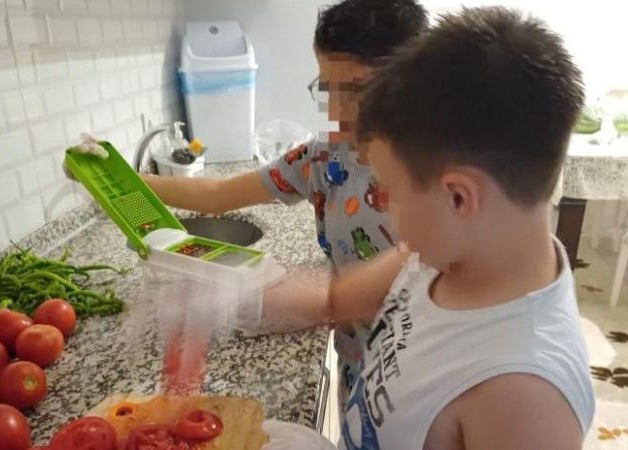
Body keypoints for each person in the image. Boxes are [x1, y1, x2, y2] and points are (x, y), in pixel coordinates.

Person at [67, 0, 429, 409]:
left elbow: (397, 282)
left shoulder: (439, 176)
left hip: (422, 378)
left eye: (358, 90)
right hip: (358, 369)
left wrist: (257, 299)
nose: (336, 111)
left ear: (411, 83)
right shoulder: (324, 157)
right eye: (327, 88)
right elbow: (217, 195)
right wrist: (115, 178)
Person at [261, 6, 595, 449]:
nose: (384, 209)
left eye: (388, 190)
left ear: (458, 197)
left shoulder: (524, 399)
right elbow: (336, 299)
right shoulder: (449, 254)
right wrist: (229, 302)